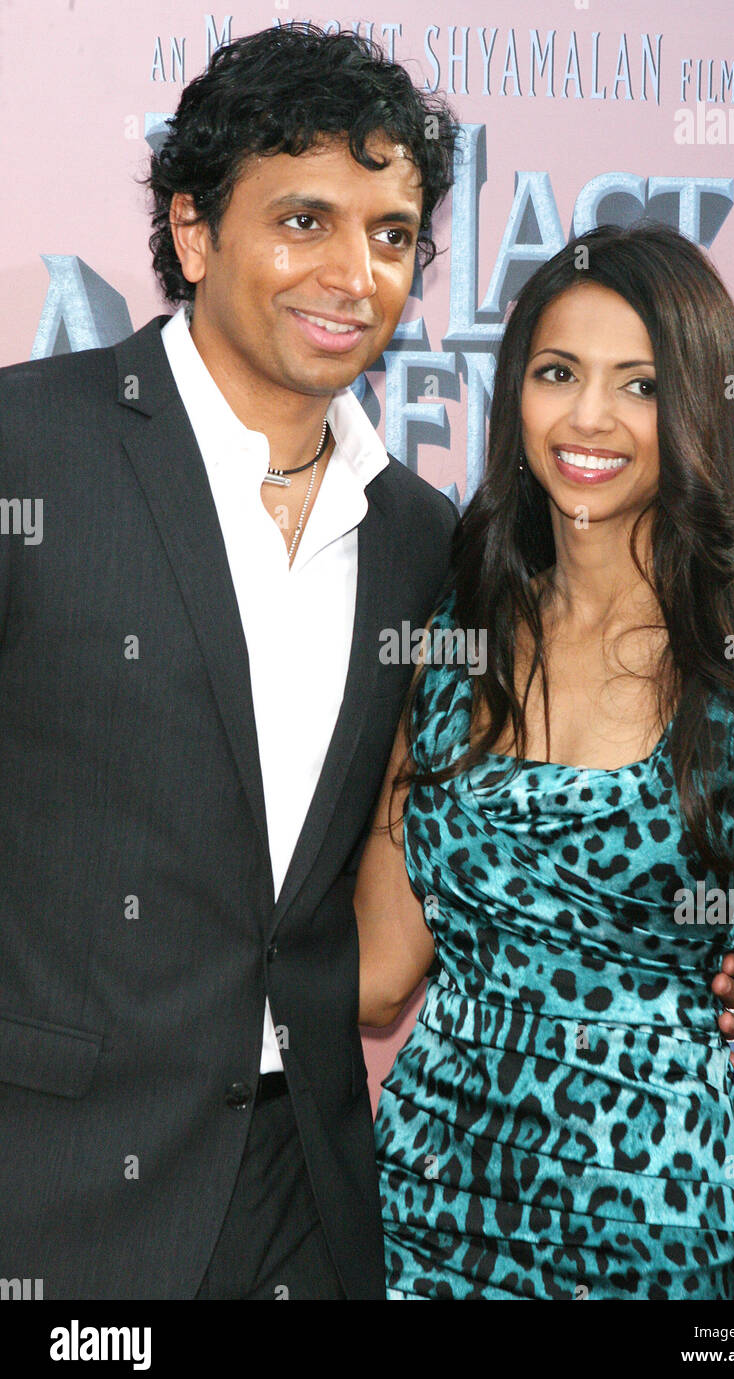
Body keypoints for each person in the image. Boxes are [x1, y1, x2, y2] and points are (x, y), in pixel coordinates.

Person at [0, 24, 462, 1300]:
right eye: (304, 219)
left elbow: (431, 833)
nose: (353, 274)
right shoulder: (26, 452)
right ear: (195, 232)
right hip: (50, 1183)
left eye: (388, 234)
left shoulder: (421, 539)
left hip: (300, 1189)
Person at [356, 223, 734, 1299]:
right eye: (556, 373)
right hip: (418, 1216)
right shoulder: (455, 641)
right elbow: (377, 972)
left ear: (696, 410)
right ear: (515, 397)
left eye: (636, 384)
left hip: (648, 1234)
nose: (587, 418)